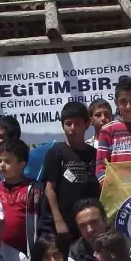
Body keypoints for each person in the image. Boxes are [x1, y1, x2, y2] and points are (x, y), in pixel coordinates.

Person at [42, 102, 101, 245]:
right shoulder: (56, 152)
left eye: (77, 124)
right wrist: (58, 220)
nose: (72, 129)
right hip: (65, 225)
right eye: (68, 124)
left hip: (89, 225)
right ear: (63, 126)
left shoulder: (94, 154)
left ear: (87, 124)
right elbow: (50, 188)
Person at [0, 139, 40, 254]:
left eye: (7, 161)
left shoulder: (33, 191)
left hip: (26, 254)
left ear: (21, 165)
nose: (2, 165)